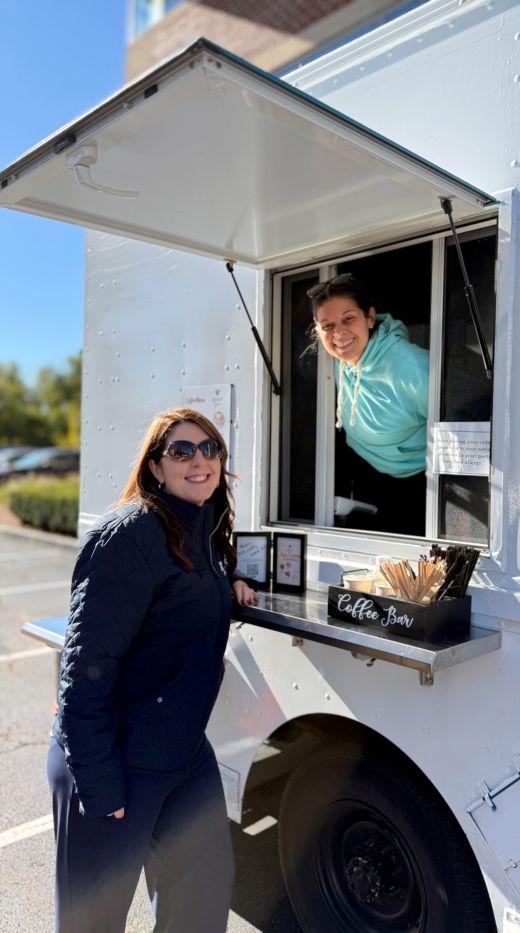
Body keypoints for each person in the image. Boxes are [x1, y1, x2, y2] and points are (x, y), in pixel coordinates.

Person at [47, 408, 258, 933]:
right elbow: (85, 667)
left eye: (210, 448)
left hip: (182, 752)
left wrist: (229, 582)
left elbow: (183, 586)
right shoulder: (132, 533)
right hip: (114, 756)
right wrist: (99, 783)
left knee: (201, 904)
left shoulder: (204, 526)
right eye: (181, 451)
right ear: (156, 468)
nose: (199, 460)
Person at [308, 273, 429, 534]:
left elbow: (461, 422)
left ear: (370, 318)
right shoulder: (340, 359)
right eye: (327, 326)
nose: (339, 333)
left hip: (421, 484)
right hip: (369, 476)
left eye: (348, 319)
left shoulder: (411, 367)